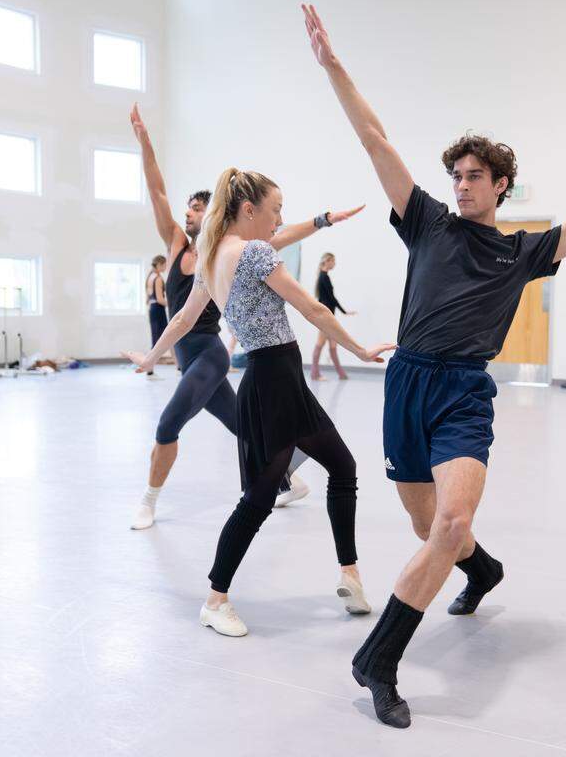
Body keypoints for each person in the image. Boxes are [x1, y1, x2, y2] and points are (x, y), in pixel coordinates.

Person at [302, 3, 566, 727]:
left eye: (475, 175)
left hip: (465, 392)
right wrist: (334, 66)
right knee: (428, 526)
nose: (462, 183)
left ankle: (378, 660)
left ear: (501, 184)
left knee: (451, 518)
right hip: (407, 382)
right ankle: (483, 569)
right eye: (457, 174)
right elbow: (374, 139)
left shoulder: (525, 250)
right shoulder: (427, 222)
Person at [126, 167, 392, 637]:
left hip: (275, 380)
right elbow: (311, 308)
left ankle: (349, 573)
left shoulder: (210, 259)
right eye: (274, 210)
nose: (278, 219)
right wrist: (360, 351)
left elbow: (183, 321)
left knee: (342, 466)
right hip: (274, 380)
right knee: (258, 499)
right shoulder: (253, 252)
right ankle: (215, 600)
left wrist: (150, 357)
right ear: (249, 210)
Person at [126, 105, 340, 529]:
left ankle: (148, 501)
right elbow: (156, 192)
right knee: (243, 426)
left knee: (169, 423)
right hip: (188, 356)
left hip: (208, 354)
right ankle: (290, 480)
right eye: (186, 208)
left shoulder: (226, 253)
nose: (187, 214)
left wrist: (320, 222)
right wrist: (146, 145)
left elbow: (279, 235)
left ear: (214, 216)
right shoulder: (176, 247)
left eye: (196, 209)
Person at [310, 252, 355, 381]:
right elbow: (330, 298)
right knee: (320, 343)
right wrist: (344, 311)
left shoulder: (323, 276)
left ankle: (341, 374)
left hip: (328, 316)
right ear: (328, 261)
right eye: (333, 261)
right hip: (326, 317)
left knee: (333, 345)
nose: (334, 264)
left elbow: (322, 299)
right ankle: (314, 374)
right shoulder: (324, 277)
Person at [144, 255, 168, 380]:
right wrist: (173, 303)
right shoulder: (158, 279)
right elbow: (160, 299)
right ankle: (150, 371)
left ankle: (179, 367)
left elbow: (148, 299)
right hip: (158, 310)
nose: (165, 267)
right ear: (159, 264)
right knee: (162, 339)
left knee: (160, 338)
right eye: (164, 264)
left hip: (152, 309)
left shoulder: (150, 277)